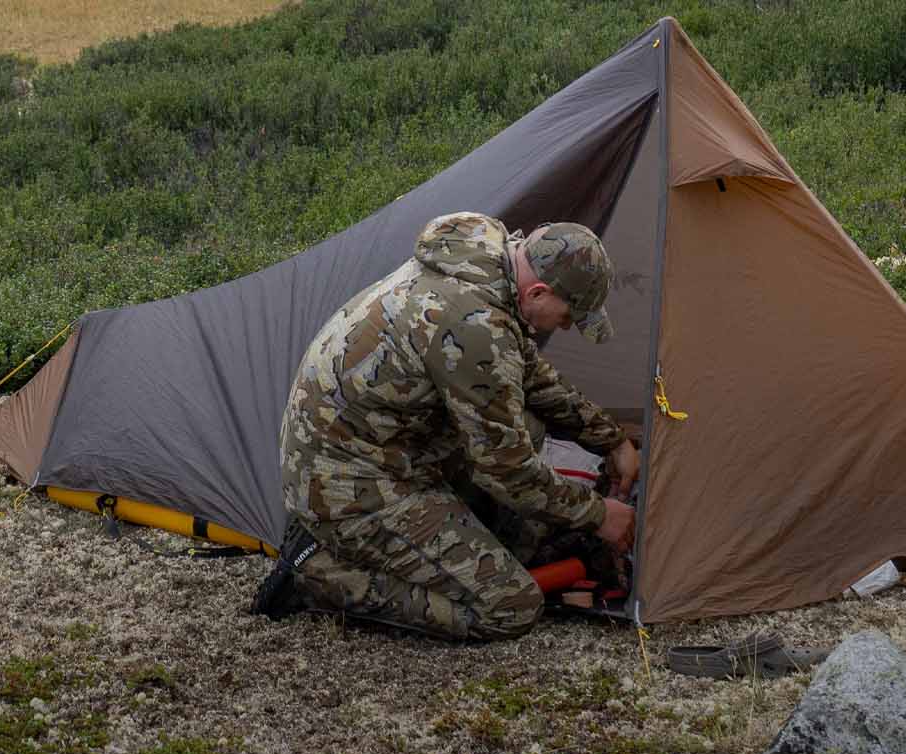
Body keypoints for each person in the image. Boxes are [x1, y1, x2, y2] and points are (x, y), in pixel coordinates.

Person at [254, 211, 638, 640]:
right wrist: (598, 514)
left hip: (380, 447)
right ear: (539, 291)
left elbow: (528, 374)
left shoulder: (485, 254)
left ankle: (475, 544)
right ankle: (316, 573)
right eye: (567, 317)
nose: (564, 327)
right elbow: (506, 470)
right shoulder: (474, 325)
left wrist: (611, 439)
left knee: (525, 426)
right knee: (511, 606)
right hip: (346, 484)